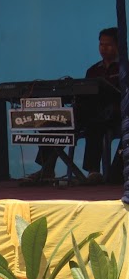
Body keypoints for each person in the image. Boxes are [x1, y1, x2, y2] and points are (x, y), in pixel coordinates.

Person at [32, 27, 122, 183]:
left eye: (108, 45)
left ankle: (93, 172)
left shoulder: (125, 67)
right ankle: (46, 169)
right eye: (101, 44)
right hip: (89, 112)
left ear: (119, 45)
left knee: (95, 126)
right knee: (54, 122)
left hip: (114, 115)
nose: (104, 48)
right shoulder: (93, 70)